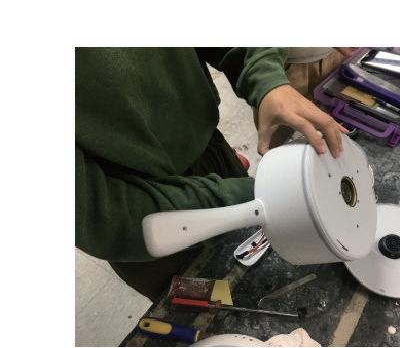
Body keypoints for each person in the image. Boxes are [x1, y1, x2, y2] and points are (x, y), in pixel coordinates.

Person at [76, 47, 348, 300]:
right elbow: (98, 216)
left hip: (211, 156)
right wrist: (250, 197)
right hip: (145, 219)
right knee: (214, 311)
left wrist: (266, 80)